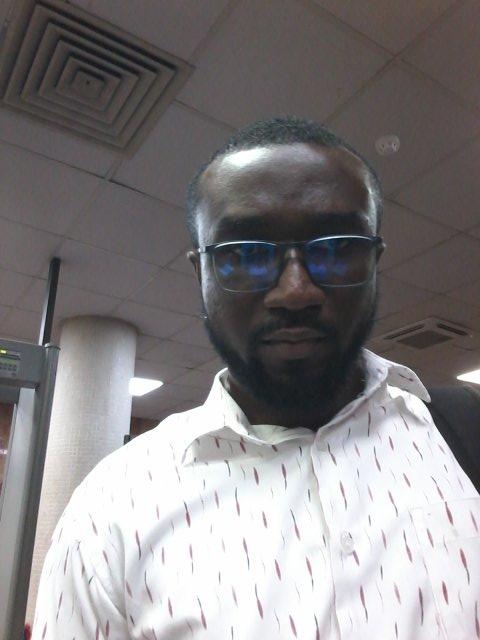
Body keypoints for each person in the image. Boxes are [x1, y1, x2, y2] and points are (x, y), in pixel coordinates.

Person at [32, 117, 480, 639]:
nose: (296, 291)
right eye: (244, 253)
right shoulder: (110, 510)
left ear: (375, 262)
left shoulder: (463, 437)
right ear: (200, 273)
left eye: (336, 248)